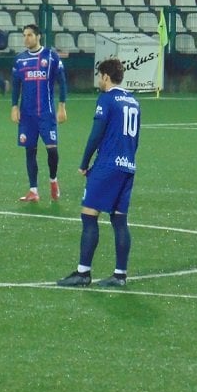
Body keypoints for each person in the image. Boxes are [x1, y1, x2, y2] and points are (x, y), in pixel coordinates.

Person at [57, 58, 140, 287]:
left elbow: (96, 134)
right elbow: (135, 139)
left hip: (108, 166)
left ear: (106, 76)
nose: (99, 81)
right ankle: (120, 275)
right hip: (128, 166)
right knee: (120, 220)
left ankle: (83, 273)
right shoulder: (133, 101)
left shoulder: (106, 99)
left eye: (100, 76)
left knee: (89, 216)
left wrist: (85, 163)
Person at [10, 23, 67, 202]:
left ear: (38, 36)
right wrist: (14, 107)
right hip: (27, 115)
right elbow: (16, 85)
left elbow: (62, 82)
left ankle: (53, 180)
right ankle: (33, 190)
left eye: (29, 35)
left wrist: (62, 106)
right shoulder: (20, 60)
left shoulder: (51, 56)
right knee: (30, 151)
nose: (26, 39)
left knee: (52, 150)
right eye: (24, 35)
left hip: (46, 113)